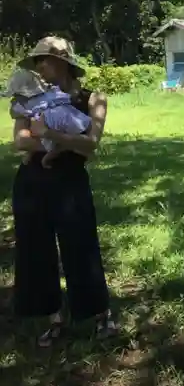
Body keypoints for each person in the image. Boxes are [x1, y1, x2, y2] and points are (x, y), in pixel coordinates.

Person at [10, 36, 116, 347]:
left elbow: (91, 143)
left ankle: (100, 315)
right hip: (32, 183)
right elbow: (21, 141)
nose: (40, 66)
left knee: (81, 246)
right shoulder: (30, 97)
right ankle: (55, 319)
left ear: (64, 62)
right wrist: (62, 141)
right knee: (36, 251)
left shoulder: (93, 98)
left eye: (45, 59)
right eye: (37, 61)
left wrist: (49, 134)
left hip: (70, 182)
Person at [7, 68, 93, 168]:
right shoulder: (49, 92)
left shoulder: (27, 101)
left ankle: (47, 155)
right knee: (49, 135)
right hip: (61, 116)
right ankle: (49, 152)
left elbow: (24, 113)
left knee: (47, 138)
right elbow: (22, 142)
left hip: (52, 120)